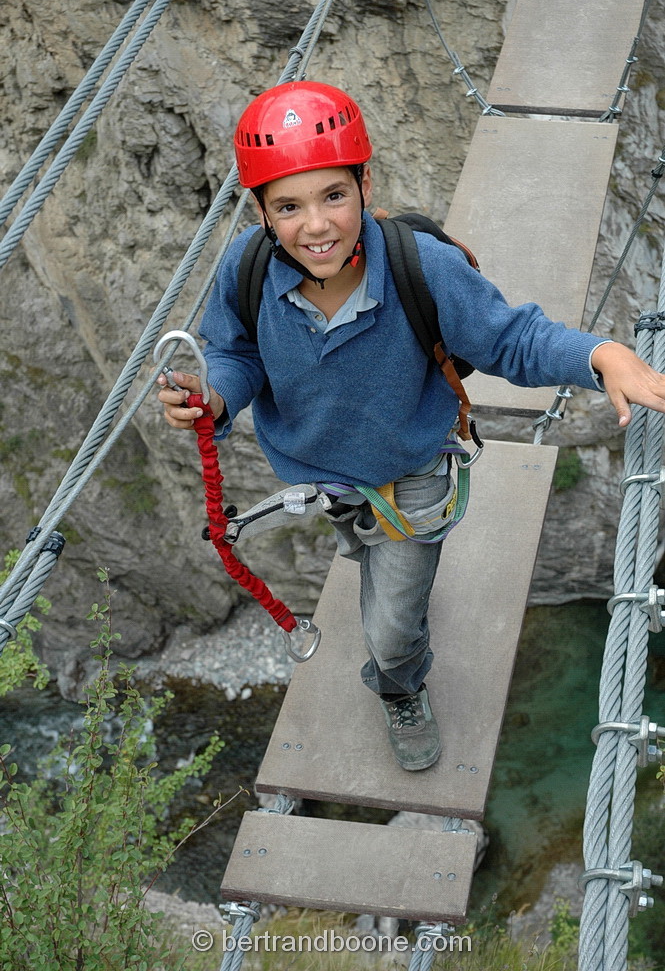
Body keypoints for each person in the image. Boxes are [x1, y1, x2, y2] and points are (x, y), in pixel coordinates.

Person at [158, 80, 665, 772]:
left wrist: (599, 356)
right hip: (323, 474)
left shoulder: (422, 268)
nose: (316, 225)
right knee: (366, 560)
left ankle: (399, 684)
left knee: (390, 627)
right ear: (261, 212)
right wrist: (214, 397)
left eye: (333, 195)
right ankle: (388, 583)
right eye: (288, 206)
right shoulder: (245, 269)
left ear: (365, 185)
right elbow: (237, 353)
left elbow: (509, 339)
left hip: (411, 475)